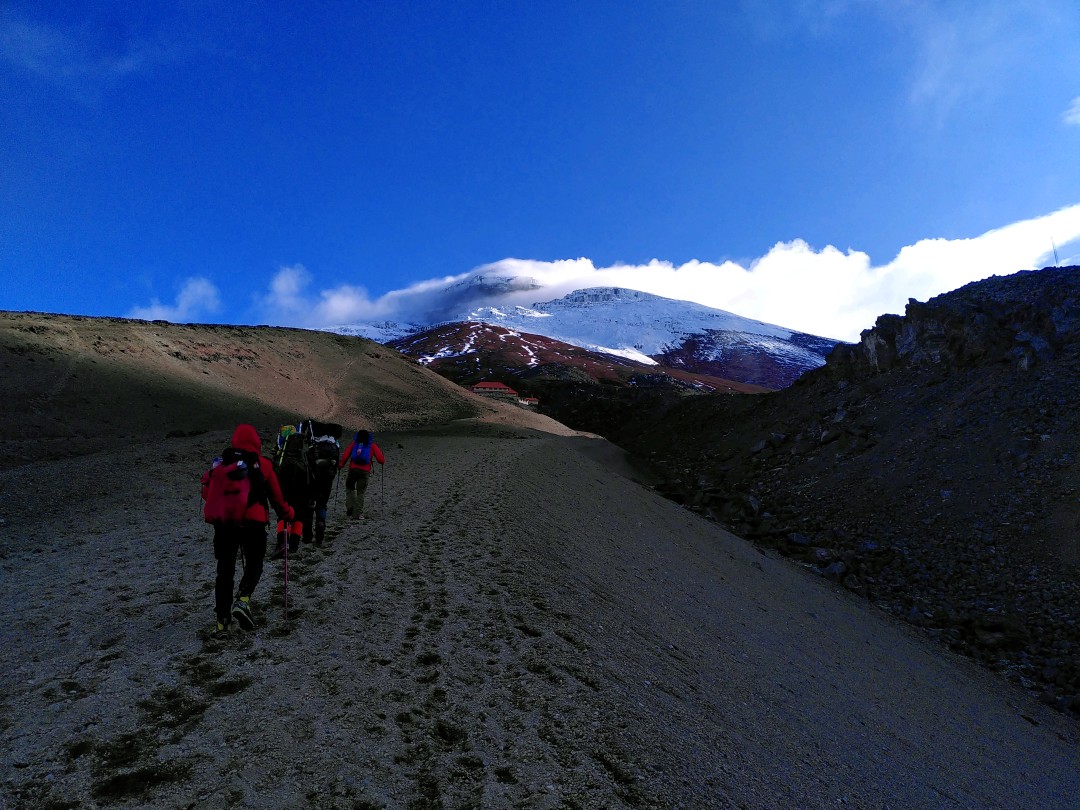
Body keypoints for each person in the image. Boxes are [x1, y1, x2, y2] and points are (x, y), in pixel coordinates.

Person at [202, 423, 293, 633]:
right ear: (257, 443)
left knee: (225, 571)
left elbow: (207, 495)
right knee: (254, 565)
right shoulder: (264, 464)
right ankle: (242, 600)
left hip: (226, 524)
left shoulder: (222, 464)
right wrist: (288, 514)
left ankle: (222, 622)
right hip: (254, 523)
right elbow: (277, 498)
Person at [272, 427, 311, 559]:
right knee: (298, 517)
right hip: (302, 492)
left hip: (283, 490)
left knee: (283, 516)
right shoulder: (304, 456)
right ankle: (293, 546)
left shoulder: (281, 456)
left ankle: (282, 543)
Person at [338, 429, 385, 520]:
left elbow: (345, 456)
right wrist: (383, 461)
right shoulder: (372, 446)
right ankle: (356, 514)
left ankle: (350, 507)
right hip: (364, 472)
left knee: (350, 488)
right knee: (361, 492)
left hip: (353, 470)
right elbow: (381, 460)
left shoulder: (354, 444)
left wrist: (340, 465)